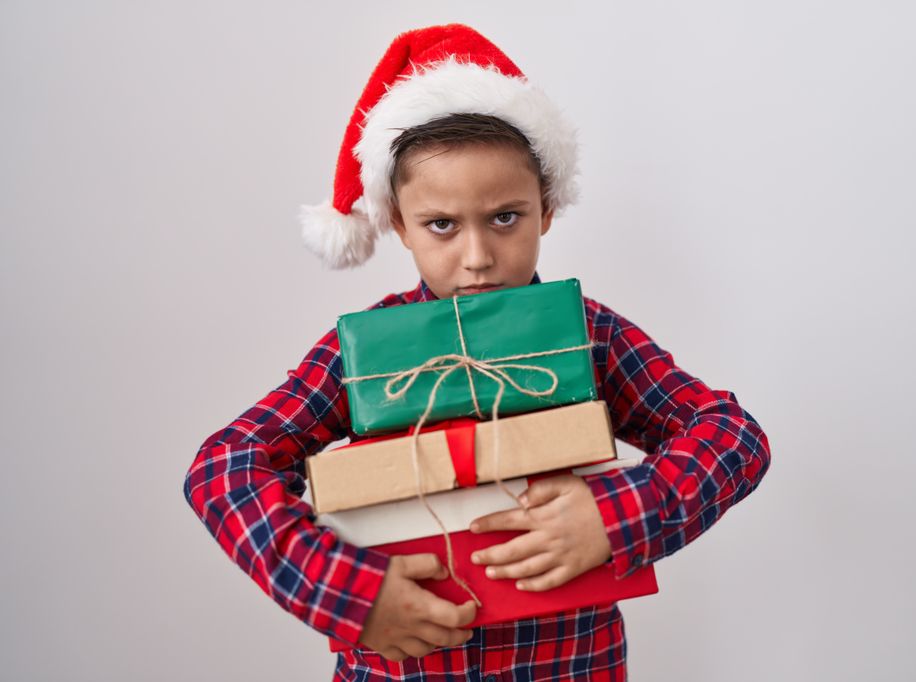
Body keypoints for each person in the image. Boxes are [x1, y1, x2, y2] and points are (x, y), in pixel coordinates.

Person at [183, 23, 771, 681]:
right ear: (398, 224)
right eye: (441, 225)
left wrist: (617, 515)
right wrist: (349, 593)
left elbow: (733, 435)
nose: (477, 257)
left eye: (505, 217)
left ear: (546, 208)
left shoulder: (588, 333)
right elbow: (223, 467)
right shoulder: (363, 354)